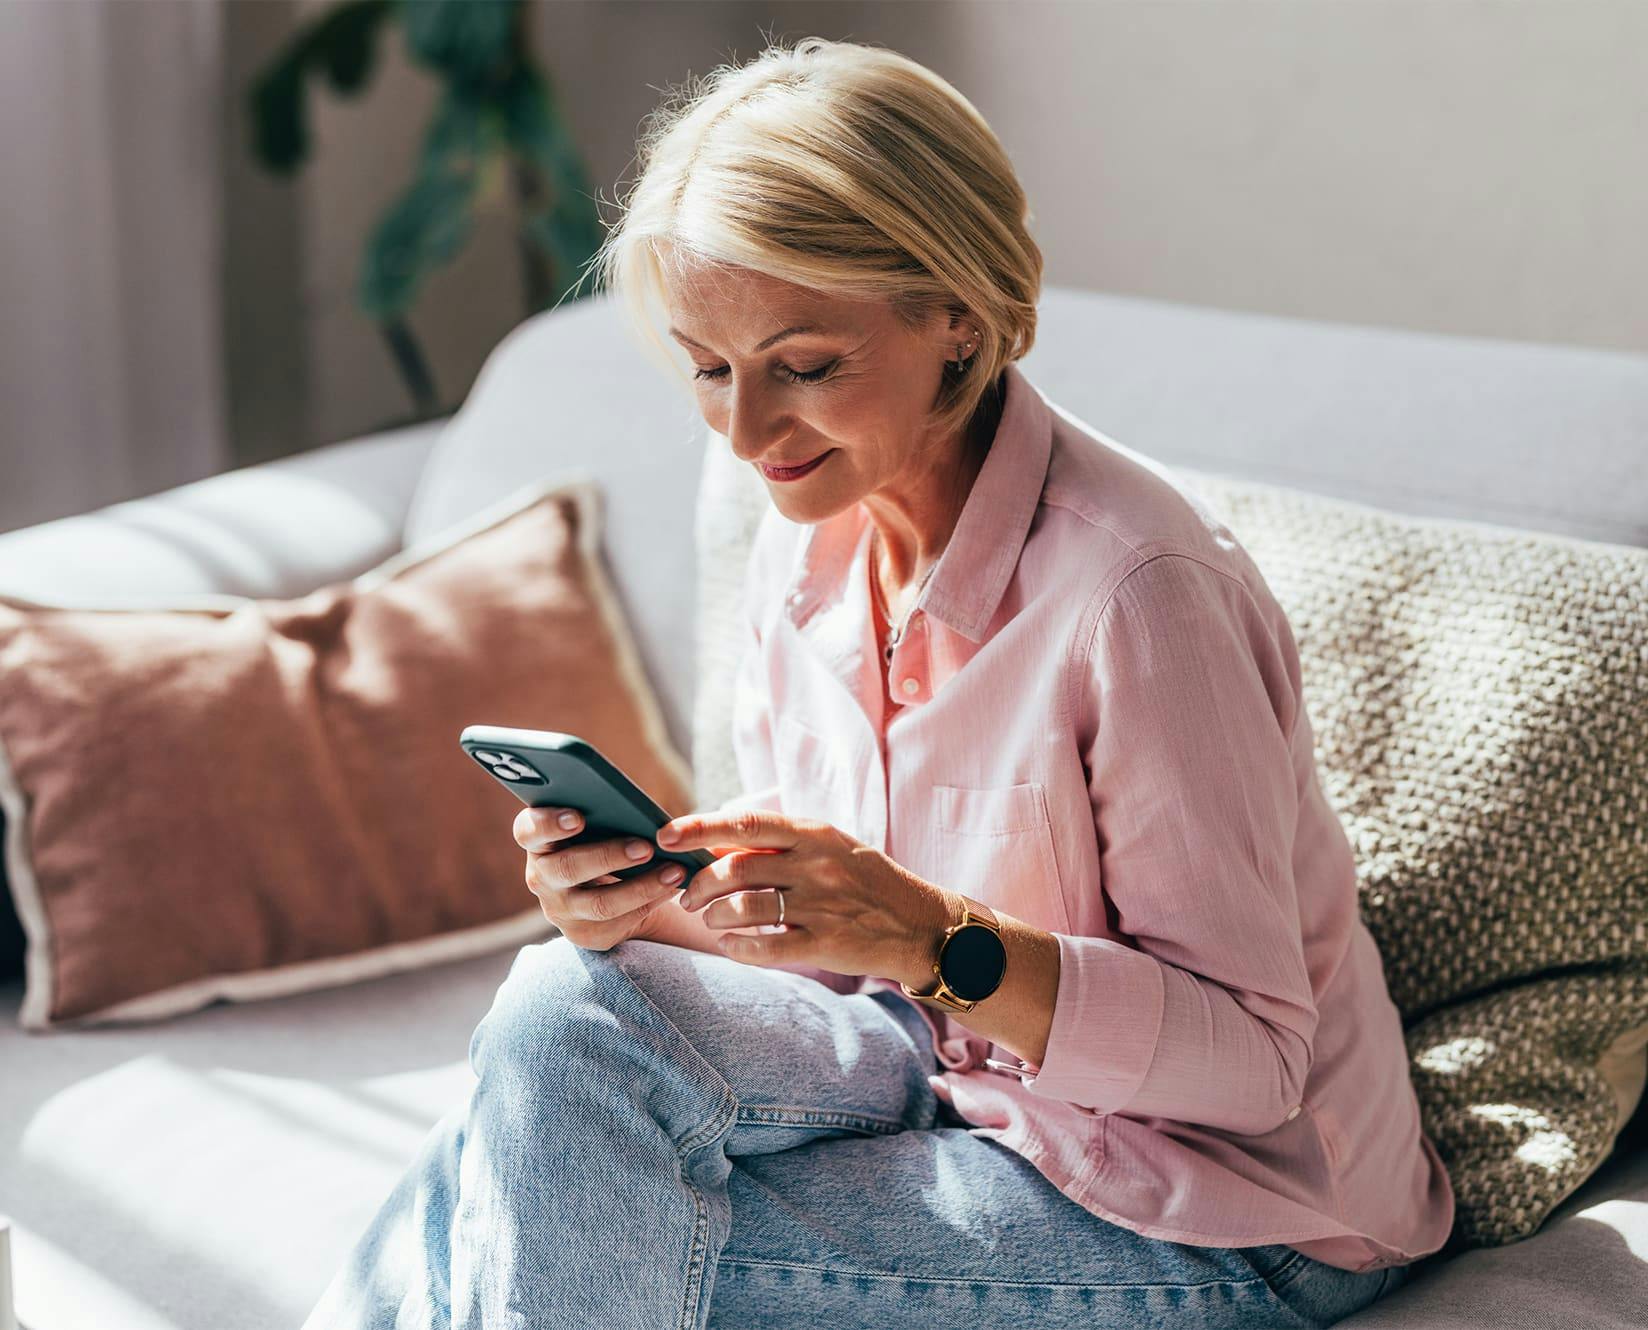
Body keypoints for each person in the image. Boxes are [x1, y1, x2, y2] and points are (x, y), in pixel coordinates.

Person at [302, 35, 1453, 1330]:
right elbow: (839, 971)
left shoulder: (1139, 593)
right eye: (708, 367)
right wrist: (658, 904)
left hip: (1233, 1203)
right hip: (955, 1075)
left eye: (803, 365)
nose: (743, 433)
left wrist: (922, 931)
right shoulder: (803, 543)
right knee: (564, 1015)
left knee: (527, 1200)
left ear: (955, 314)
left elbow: (1252, 1062)